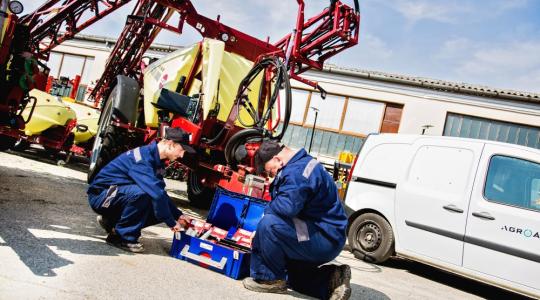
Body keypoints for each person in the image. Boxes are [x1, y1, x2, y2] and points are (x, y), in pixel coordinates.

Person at [243, 140, 351, 300]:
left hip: (322, 237)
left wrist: (265, 216)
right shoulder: (305, 163)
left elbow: (287, 207)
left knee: (269, 224)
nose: (273, 175)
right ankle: (332, 280)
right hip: (323, 233)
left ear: (277, 160)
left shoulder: (297, 172)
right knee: (292, 275)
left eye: (271, 171)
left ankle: (268, 279)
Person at [87, 127, 194, 253]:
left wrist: (178, 215)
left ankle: (111, 222)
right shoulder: (142, 159)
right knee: (144, 194)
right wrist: (172, 224)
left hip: (116, 194)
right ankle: (120, 237)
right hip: (102, 195)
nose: (181, 155)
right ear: (170, 145)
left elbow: (160, 193)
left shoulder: (155, 159)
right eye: (181, 150)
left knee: (160, 206)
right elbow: (156, 194)